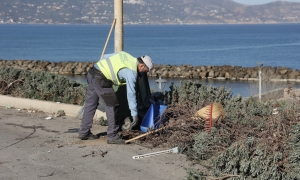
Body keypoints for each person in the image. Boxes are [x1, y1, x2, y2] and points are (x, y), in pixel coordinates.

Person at [78, 51, 153, 144]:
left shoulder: (126, 55)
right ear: (142, 66)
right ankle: (112, 135)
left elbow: (105, 56)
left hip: (92, 72)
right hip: (101, 79)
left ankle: (84, 132)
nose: (144, 74)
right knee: (113, 106)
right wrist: (134, 114)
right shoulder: (132, 72)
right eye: (146, 71)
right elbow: (131, 93)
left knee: (90, 104)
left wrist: (101, 68)